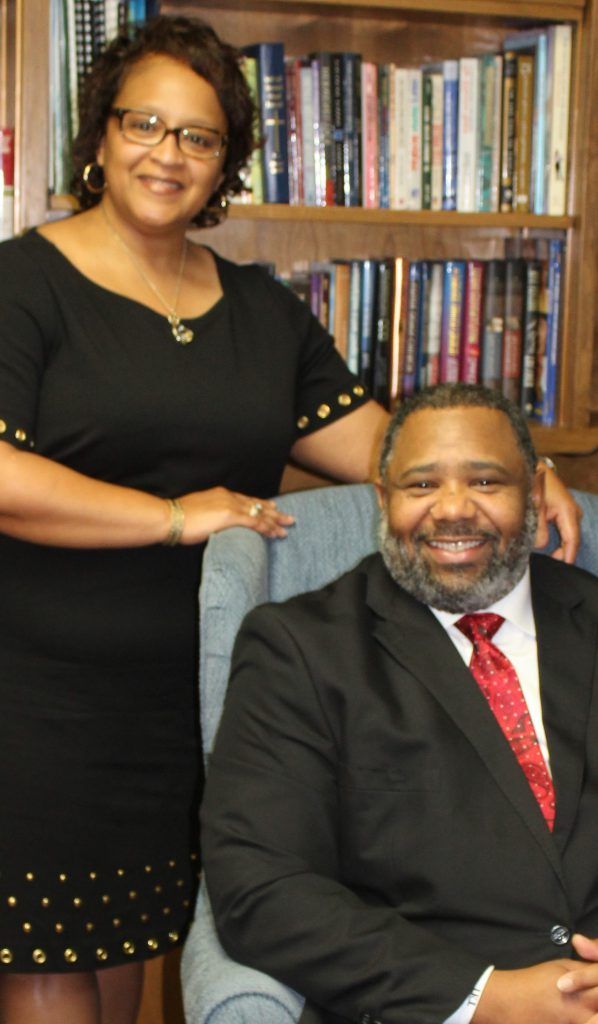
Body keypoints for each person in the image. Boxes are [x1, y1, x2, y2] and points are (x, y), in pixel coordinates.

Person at [0, 14, 397, 1024]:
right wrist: (174, 515)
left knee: (136, 940)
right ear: (99, 136)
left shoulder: (262, 311)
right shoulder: (21, 283)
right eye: (145, 124)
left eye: (198, 136)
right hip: (40, 692)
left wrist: (504, 482)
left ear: (224, 165)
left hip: (204, 689)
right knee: (50, 952)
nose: (166, 154)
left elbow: (381, 450)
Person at [202, 382, 598, 1024]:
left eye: (486, 482)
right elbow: (261, 887)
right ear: (382, 500)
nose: (452, 510)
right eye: (420, 487)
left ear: (533, 490)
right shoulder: (301, 650)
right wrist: (483, 998)